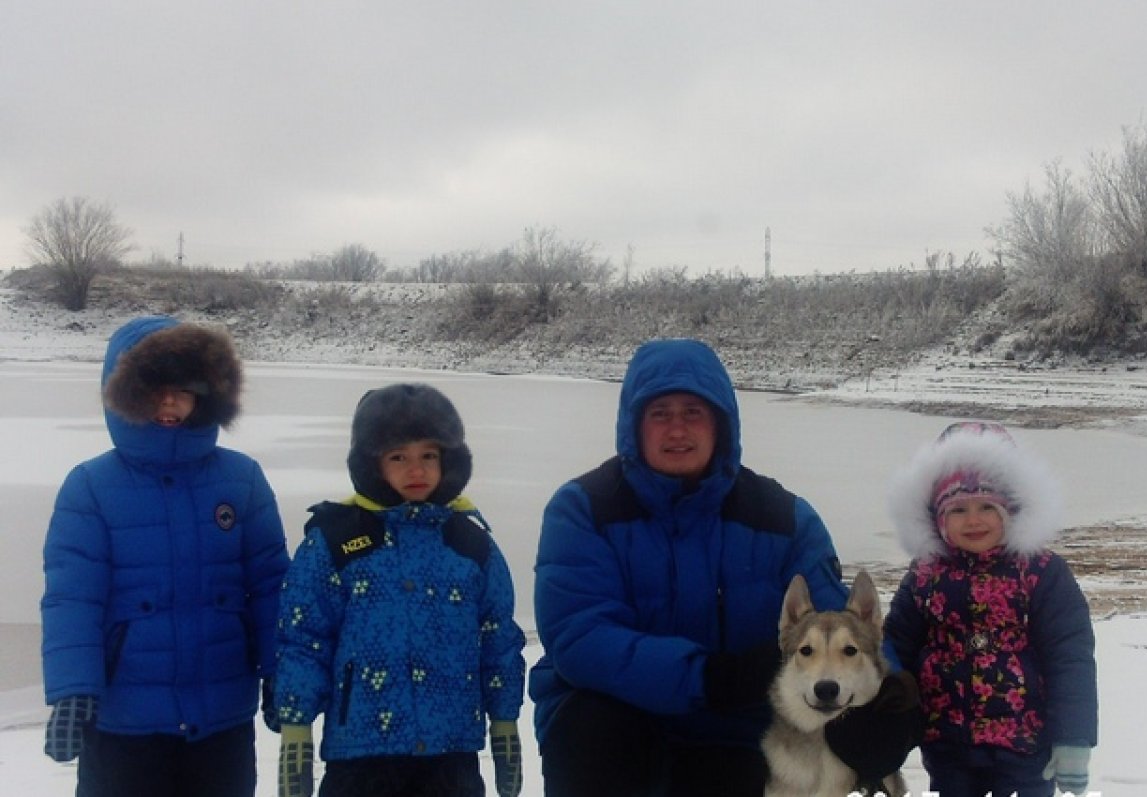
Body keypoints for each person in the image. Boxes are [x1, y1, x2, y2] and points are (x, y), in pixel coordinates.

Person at [528, 338, 919, 797]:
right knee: (590, 726)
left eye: (693, 412)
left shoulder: (785, 519)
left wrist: (886, 700)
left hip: (741, 729)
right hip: (618, 726)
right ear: (634, 425)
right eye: (660, 414)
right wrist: (708, 677)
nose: (677, 430)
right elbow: (580, 638)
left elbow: (841, 625)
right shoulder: (583, 510)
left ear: (721, 424)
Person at [41, 315, 290, 797]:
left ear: (210, 395)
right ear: (125, 393)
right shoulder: (90, 487)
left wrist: (281, 669)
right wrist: (73, 690)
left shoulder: (243, 481)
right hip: (124, 723)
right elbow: (72, 598)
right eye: (155, 388)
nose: (170, 401)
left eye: (185, 388)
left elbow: (271, 585)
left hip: (221, 718)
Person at [272, 383, 526, 797]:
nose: (417, 470)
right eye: (399, 457)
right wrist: (296, 724)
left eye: (429, 455)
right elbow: (304, 639)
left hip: (451, 753)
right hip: (361, 753)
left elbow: (498, 638)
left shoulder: (470, 544)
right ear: (373, 463)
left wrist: (504, 720)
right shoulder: (336, 541)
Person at [884, 421, 1099, 797]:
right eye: (959, 509)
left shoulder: (1040, 571)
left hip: (1027, 743)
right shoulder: (924, 573)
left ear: (1011, 511)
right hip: (947, 742)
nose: (974, 520)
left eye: (987, 506)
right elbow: (895, 649)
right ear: (938, 518)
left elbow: (1070, 656)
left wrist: (1074, 741)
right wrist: (882, 727)